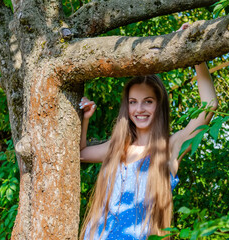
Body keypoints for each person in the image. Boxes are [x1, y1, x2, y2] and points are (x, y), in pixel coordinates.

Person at [79, 25, 218, 240]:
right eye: (133, 102)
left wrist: (195, 52)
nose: (139, 109)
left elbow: (209, 106)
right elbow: (80, 154)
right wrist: (85, 120)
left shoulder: (170, 147)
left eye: (148, 102)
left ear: (159, 105)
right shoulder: (117, 147)